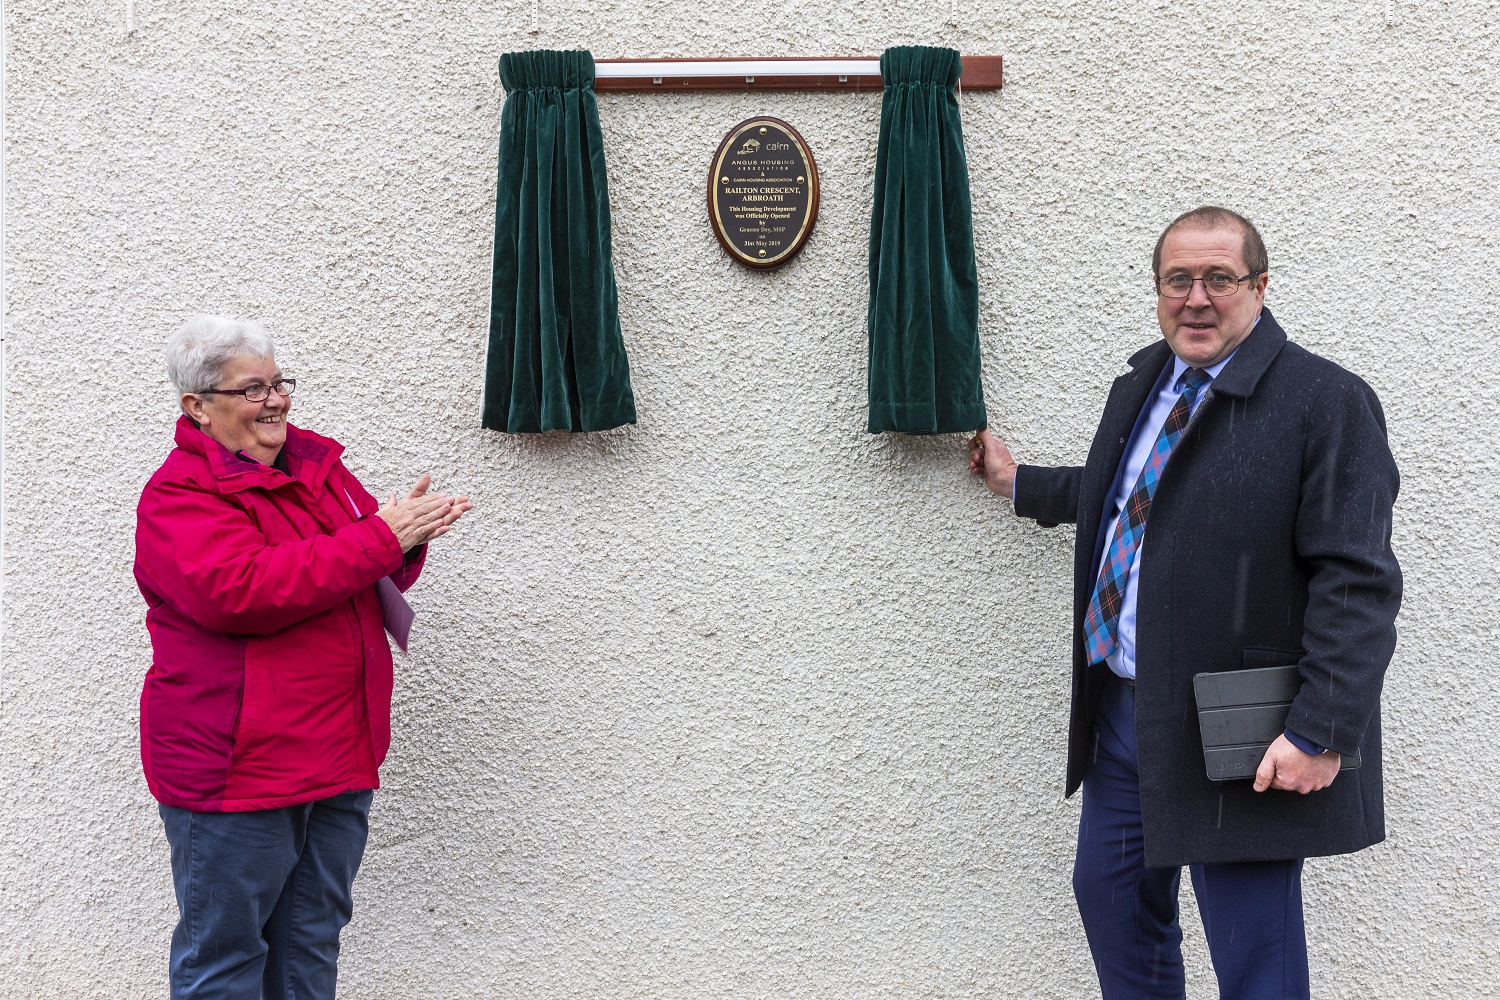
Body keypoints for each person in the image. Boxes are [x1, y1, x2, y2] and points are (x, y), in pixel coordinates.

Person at [969, 207, 1401, 1000]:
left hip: (1245, 735)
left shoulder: (1324, 401)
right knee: (1112, 907)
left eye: (1220, 279)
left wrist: (1319, 729)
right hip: (1125, 718)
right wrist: (1019, 483)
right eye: (1178, 280)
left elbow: (1359, 581)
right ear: (1158, 289)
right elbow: (1131, 497)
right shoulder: (1143, 384)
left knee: (1253, 957)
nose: (1196, 298)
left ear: (1260, 288)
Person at [135, 315, 473, 1000]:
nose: (276, 400)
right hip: (240, 771)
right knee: (225, 961)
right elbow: (241, 592)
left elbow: (350, 579)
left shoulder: (316, 466)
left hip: (335, 757)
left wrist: (399, 543)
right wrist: (379, 539)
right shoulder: (178, 496)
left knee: (309, 946)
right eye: (252, 388)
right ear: (197, 407)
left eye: (279, 383)